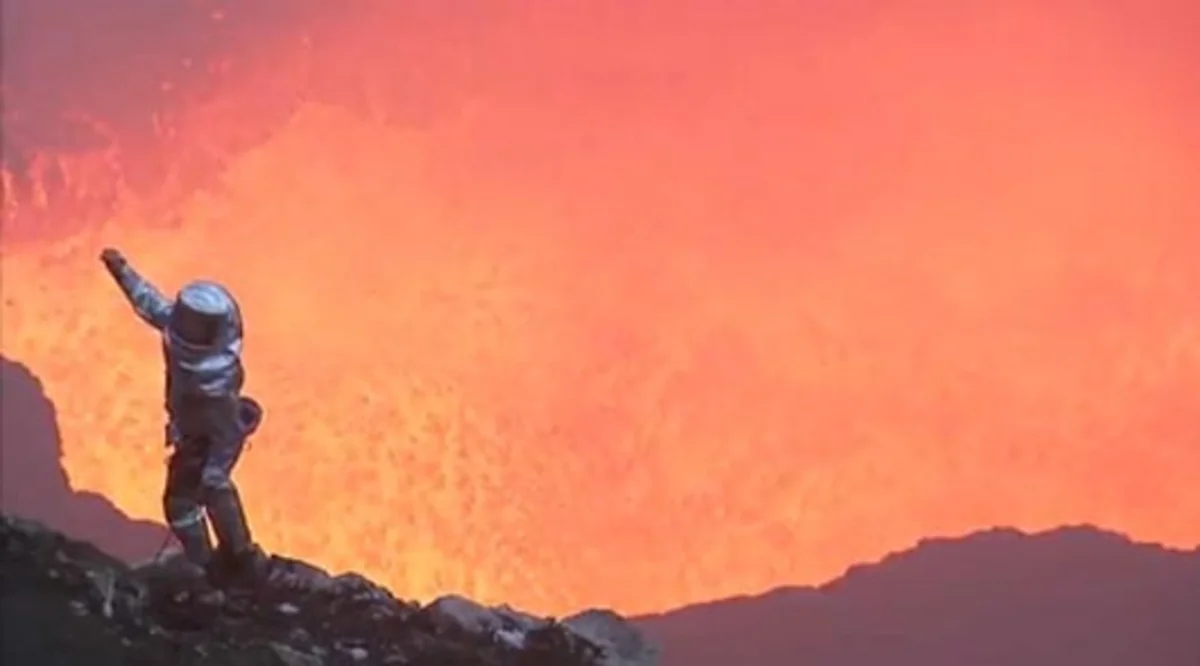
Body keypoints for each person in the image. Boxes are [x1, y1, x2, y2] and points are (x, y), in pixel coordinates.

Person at [100, 247, 263, 583]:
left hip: (202, 439)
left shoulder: (212, 387)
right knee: (204, 494)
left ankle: (215, 565)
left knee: (184, 502)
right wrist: (121, 270)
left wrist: (214, 469)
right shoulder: (196, 346)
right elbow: (151, 304)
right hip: (196, 435)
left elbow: (227, 434)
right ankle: (235, 557)